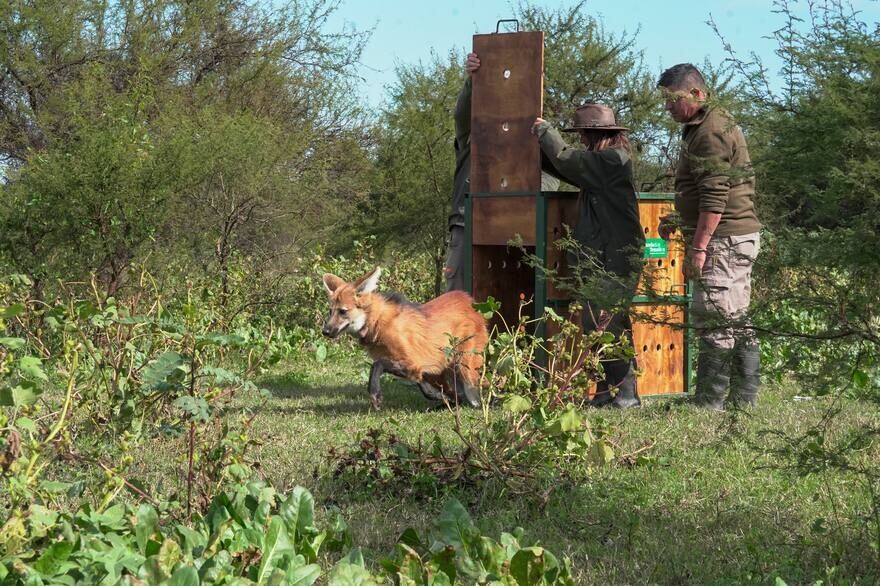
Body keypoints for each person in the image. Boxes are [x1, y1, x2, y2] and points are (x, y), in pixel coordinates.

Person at [656, 63, 762, 410]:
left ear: (697, 94)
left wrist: (698, 247)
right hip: (733, 234)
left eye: (673, 100)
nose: (668, 108)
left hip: (723, 241)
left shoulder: (709, 130)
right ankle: (742, 399)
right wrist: (681, 217)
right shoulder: (704, 124)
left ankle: (710, 402)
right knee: (735, 315)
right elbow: (708, 191)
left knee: (714, 315)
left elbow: (715, 196)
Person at [532, 104, 645, 409]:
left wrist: (545, 132)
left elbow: (569, 160)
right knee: (599, 321)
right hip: (607, 252)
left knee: (608, 322)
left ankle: (625, 394)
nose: (581, 139)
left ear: (595, 134)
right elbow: (565, 166)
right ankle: (609, 392)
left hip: (616, 254)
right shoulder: (602, 162)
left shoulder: (611, 160)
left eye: (583, 134)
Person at [445, 52, 560, 291]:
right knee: (457, 299)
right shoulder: (474, 134)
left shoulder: (534, 140)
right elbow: (462, 114)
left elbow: (552, 180)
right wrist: (474, 80)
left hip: (519, 227)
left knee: (516, 297)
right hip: (468, 223)